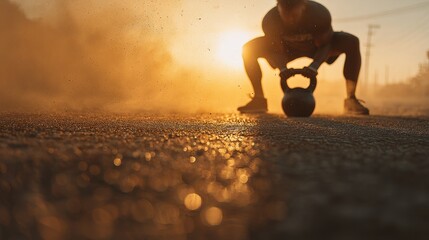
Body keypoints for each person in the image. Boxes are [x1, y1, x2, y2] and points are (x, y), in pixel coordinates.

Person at [238, 0, 369, 115]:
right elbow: (275, 51)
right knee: (248, 49)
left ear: (303, 7)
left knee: (352, 42)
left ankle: (351, 99)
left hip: (317, 49)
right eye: (286, 15)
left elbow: (326, 45)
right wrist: (283, 69)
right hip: (286, 52)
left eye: (294, 15)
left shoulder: (320, 15)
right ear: (278, 7)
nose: (290, 20)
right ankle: (259, 99)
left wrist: (314, 66)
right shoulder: (270, 21)